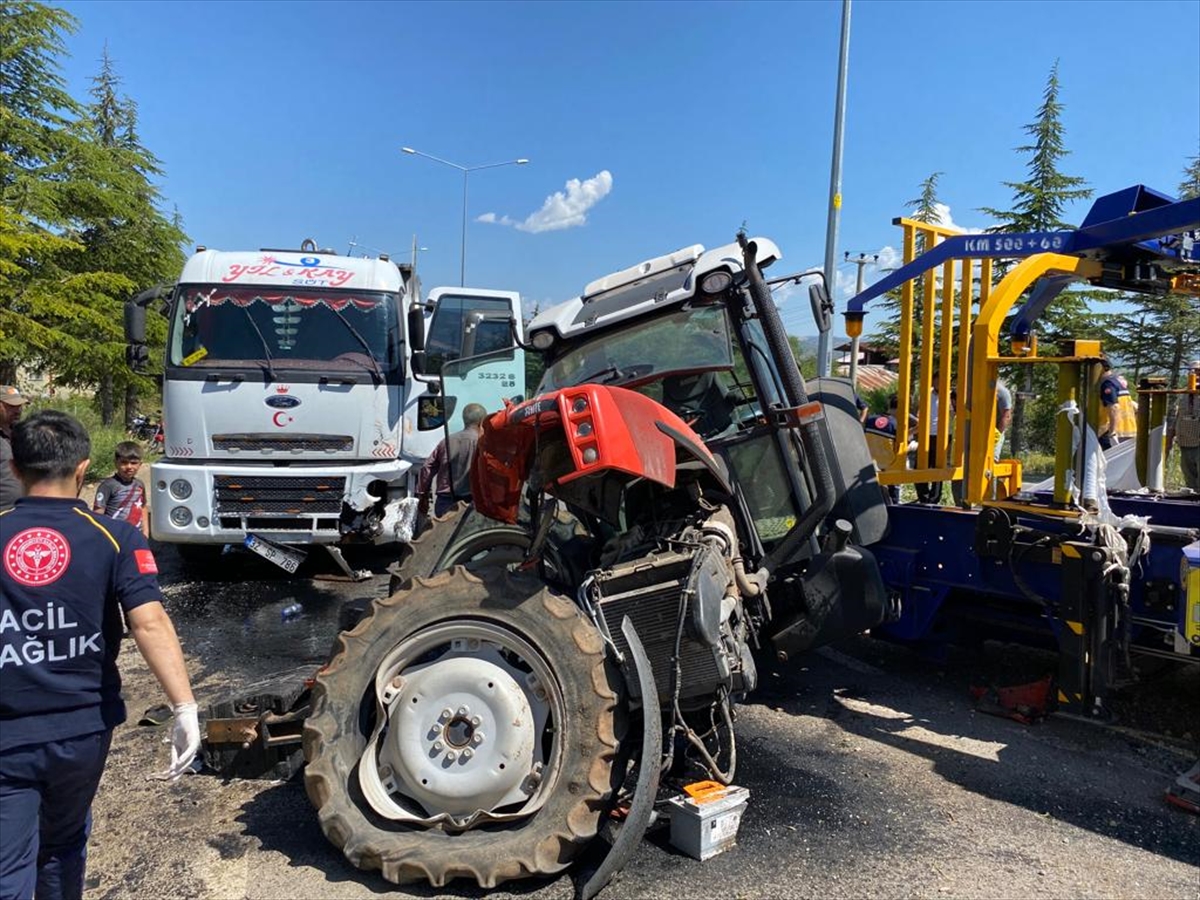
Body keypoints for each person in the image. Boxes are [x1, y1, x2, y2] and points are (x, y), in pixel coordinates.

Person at [0, 411, 200, 900]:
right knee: (64, 843)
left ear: (15, 470)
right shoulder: (115, 536)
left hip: (7, 730)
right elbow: (148, 622)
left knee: (7, 862)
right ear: (84, 468)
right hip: (83, 727)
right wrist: (184, 708)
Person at [417, 402, 488, 519]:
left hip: (446, 503)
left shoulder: (446, 441)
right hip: (473, 503)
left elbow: (427, 468)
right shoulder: (483, 443)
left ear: (464, 420)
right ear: (482, 422)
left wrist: (423, 496)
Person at [93, 441, 150, 538]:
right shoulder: (108, 486)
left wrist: (146, 531)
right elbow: (98, 514)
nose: (129, 467)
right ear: (115, 463)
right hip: (114, 536)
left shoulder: (139, 485)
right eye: (124, 462)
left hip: (136, 535)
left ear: (140, 464)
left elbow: (143, 507)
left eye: (133, 463)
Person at [1165, 359, 1200, 490]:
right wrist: (1170, 438)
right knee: (1190, 482)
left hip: (1198, 443)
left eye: (1197, 371)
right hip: (1185, 443)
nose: (1195, 374)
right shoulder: (1185, 394)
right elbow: (1178, 416)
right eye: (1192, 371)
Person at [1097, 358, 1137, 450]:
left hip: (1111, 432)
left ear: (1101, 368)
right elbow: (1134, 406)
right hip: (1129, 431)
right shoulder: (1118, 382)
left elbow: (1114, 407)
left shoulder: (1107, 384)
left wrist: (1112, 432)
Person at [0, 385, 28, 511]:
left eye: (19, 406)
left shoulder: (23, 433)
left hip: (23, 513)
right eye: (11, 406)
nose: (17, 410)